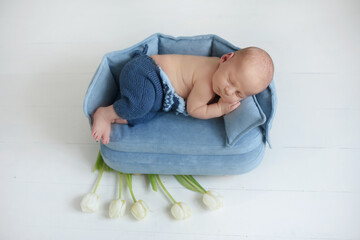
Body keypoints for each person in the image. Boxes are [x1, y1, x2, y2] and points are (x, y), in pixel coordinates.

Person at [91, 45, 274, 144]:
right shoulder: (207, 82)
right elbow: (194, 109)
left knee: (148, 113)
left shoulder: (221, 73)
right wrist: (219, 108)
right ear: (225, 58)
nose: (228, 91)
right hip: (145, 72)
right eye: (230, 81)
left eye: (238, 93)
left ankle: (120, 116)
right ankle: (106, 113)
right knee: (141, 104)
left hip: (158, 91)